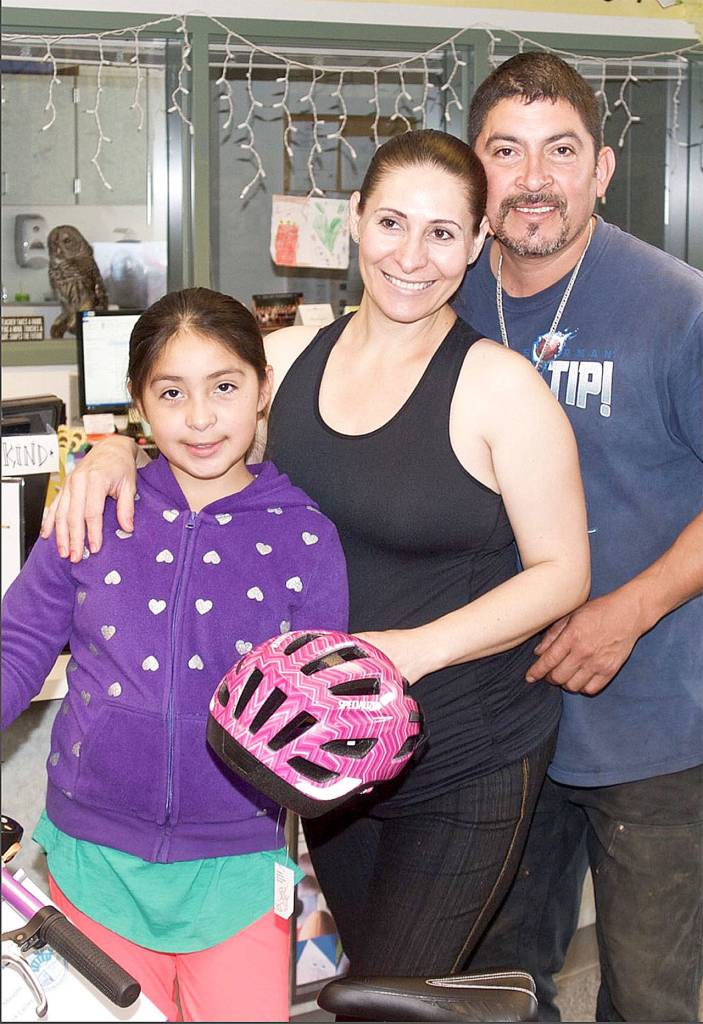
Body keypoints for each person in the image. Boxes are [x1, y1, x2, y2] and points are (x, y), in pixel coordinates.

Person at [38, 129, 591, 979]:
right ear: (356, 224)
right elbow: (196, 431)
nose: (411, 256)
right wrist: (112, 448)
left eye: (443, 233)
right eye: (391, 223)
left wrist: (407, 652)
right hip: (322, 750)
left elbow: (563, 572)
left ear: (477, 244)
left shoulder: (499, 387)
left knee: (395, 995)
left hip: (465, 750)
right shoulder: (291, 360)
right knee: (364, 974)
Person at [2, 288, 349, 1022]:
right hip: (92, 861)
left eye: (224, 387)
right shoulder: (91, 507)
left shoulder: (304, 537)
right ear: (138, 401)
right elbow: (20, 641)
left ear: (261, 389)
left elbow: (315, 713)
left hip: (238, 868)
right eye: (171, 391)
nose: (198, 418)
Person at [451, 52, 703, 1023]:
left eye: (561, 150)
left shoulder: (675, 307)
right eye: (505, 151)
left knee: (649, 998)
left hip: (652, 724)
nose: (533, 178)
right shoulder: (443, 299)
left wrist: (625, 613)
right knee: (498, 991)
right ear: (476, 171)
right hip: (497, 729)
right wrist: (113, 454)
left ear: (600, 167)